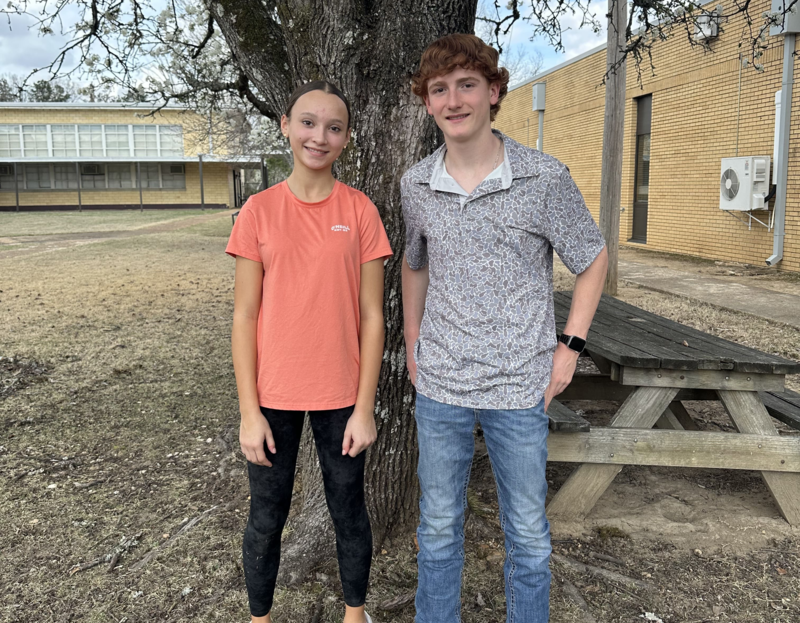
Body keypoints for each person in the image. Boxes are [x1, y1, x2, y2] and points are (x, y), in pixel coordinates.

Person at [401, 34, 609, 623]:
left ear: (493, 92)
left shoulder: (543, 177)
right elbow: (414, 264)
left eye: (467, 85)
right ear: (427, 102)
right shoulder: (416, 184)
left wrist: (570, 347)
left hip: (520, 385)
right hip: (440, 384)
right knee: (438, 529)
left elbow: (592, 258)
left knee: (528, 535)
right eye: (440, 89)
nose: (454, 100)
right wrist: (414, 343)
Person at [227, 80, 392, 623]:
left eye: (333, 127)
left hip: (341, 395)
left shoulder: (360, 211)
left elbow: (372, 317)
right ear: (285, 126)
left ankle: (354, 614)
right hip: (272, 394)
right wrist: (249, 412)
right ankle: (260, 618)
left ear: (346, 138)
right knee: (266, 516)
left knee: (349, 510)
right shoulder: (258, 211)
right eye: (307, 122)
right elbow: (244, 317)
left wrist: (365, 408)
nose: (319, 136)